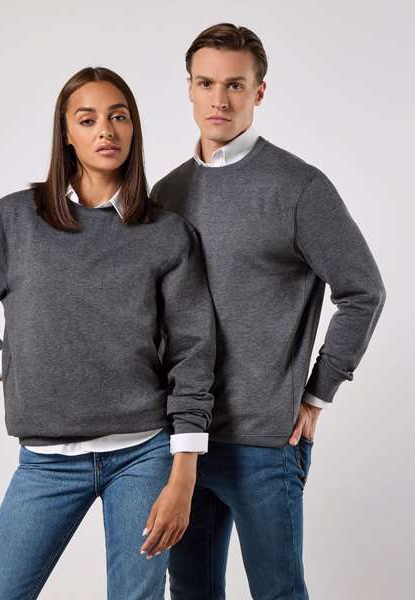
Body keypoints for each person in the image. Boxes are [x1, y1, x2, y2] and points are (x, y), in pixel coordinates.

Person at [0, 66, 216, 600]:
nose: (105, 130)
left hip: (143, 454)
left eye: (118, 117)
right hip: (46, 462)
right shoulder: (17, 219)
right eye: (87, 119)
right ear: (66, 133)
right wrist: (8, 363)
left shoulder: (166, 233)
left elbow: (192, 352)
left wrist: (183, 474)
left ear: (133, 128)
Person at [151, 23, 386, 600]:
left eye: (235, 84)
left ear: (258, 91)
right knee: (190, 592)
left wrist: (317, 393)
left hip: (265, 442)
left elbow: (363, 291)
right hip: (182, 443)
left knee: (278, 593)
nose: (219, 99)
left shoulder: (299, 187)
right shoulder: (166, 194)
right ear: (188, 89)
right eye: (206, 83)